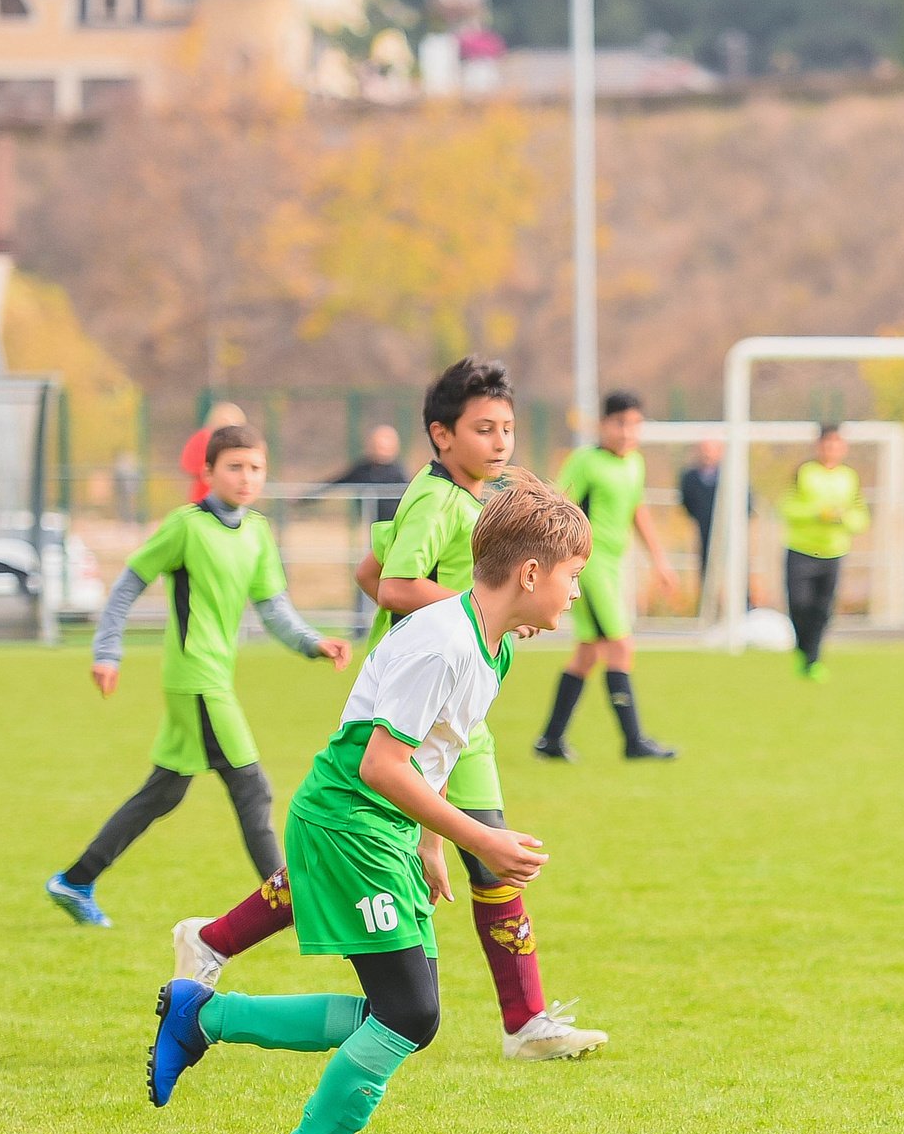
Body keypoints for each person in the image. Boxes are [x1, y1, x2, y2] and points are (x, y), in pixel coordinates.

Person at [146, 479, 590, 1134]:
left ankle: (204, 1014)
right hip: (349, 823)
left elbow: (430, 755)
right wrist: (479, 837)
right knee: (409, 1015)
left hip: (382, 829)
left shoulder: (492, 645)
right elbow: (379, 762)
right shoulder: (444, 642)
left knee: (400, 1016)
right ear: (532, 572)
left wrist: (431, 843)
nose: (576, 592)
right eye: (572, 574)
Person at [179, 357, 603, 1062]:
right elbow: (396, 584)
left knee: (445, 855)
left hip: (459, 703)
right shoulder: (438, 501)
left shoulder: (475, 502)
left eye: (507, 428)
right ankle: (524, 1020)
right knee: (468, 853)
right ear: (442, 434)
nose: (500, 441)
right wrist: (484, 613)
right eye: (482, 428)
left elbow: (368, 569)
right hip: (420, 703)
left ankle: (213, 940)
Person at [44, 421, 351, 928]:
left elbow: (273, 608)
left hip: (214, 678)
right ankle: (291, 902)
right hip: (195, 678)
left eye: (256, 468)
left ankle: (76, 879)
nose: (247, 477)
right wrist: (107, 652)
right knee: (252, 788)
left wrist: (312, 643)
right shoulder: (186, 525)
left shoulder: (256, 531)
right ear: (208, 472)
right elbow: (126, 587)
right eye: (235, 467)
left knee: (163, 792)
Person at [536, 391, 680, 760]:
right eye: (619, 423)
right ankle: (634, 741)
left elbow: (638, 512)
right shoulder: (585, 461)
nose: (627, 432)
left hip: (614, 568)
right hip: (589, 566)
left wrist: (660, 561)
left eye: (634, 424)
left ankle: (550, 741)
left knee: (587, 654)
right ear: (603, 424)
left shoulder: (635, 464)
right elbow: (558, 506)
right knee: (621, 646)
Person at [779, 423, 868, 679]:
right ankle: (802, 649)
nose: (832, 449)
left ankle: (813, 660)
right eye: (827, 444)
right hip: (802, 549)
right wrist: (817, 514)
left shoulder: (849, 477)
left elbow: (861, 517)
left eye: (837, 445)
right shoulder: (804, 473)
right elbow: (786, 508)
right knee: (799, 604)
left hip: (833, 552)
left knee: (822, 609)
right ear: (819, 446)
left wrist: (844, 519)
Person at [323, 424, 407, 639]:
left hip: (399, 538)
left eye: (384, 444)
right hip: (374, 537)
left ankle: (399, 624)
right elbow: (337, 482)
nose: (378, 449)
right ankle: (360, 627)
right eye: (376, 444)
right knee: (364, 574)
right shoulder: (364, 468)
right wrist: (303, 498)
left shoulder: (399, 473)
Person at [679, 434, 724, 598]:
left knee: (735, 569)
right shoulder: (690, 477)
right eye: (704, 450)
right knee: (707, 570)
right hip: (704, 531)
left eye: (711, 450)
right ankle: (709, 607)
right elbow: (686, 502)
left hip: (731, 533)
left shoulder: (731, 475)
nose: (707, 455)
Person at [179, 402, 245, 503]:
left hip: (232, 499)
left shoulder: (240, 444)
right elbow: (188, 464)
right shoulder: (202, 438)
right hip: (203, 498)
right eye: (224, 420)